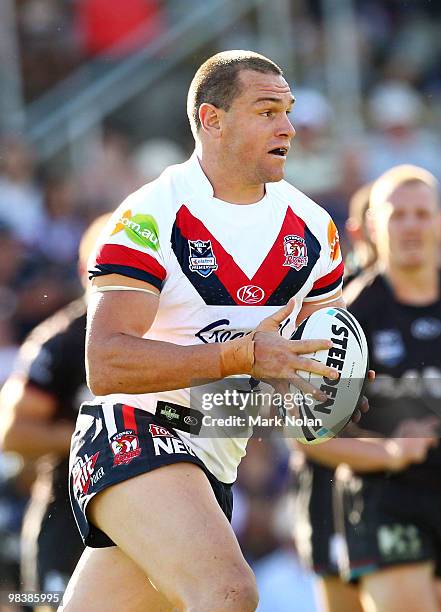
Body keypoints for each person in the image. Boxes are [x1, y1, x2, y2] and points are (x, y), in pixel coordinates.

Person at [61, 50, 366, 612]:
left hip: (212, 460)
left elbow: (298, 368)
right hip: (132, 433)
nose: (288, 127)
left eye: (288, 110)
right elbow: (105, 364)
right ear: (212, 119)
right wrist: (243, 356)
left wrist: (328, 389)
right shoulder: (150, 214)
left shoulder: (316, 229)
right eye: (266, 110)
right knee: (227, 592)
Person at [334, 164, 441, 611]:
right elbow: (309, 435)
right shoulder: (351, 316)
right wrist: (390, 452)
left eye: (422, 213)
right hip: (387, 497)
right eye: (398, 215)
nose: (411, 226)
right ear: (372, 227)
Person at [0, 214, 110, 605]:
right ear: (85, 270)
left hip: (154, 516)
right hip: (69, 520)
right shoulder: (63, 341)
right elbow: (13, 433)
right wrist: (104, 435)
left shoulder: (175, 332)